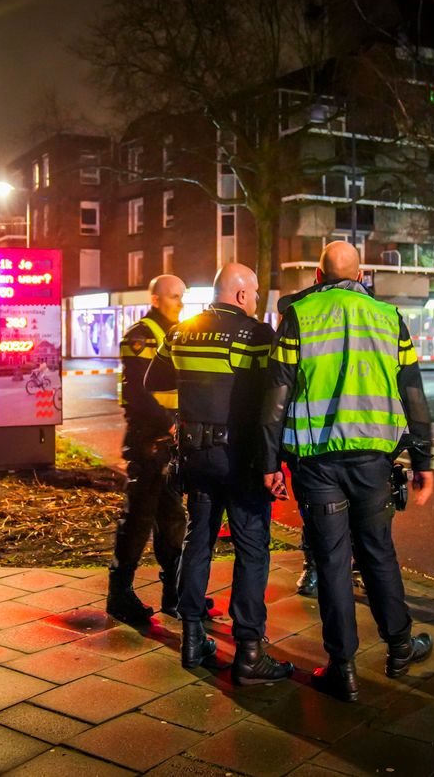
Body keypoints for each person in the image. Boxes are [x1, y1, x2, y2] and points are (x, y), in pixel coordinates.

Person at [260, 241, 434, 702]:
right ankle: (399, 647)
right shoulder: (388, 318)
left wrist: (268, 462)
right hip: (372, 462)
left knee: (333, 561)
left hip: (316, 463)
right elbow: (412, 390)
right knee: (378, 551)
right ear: (362, 276)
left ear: (318, 276)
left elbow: (279, 390)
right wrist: (423, 459)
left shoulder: (300, 315)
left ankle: (344, 668)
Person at [145, 263, 294, 683]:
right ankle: (249, 650)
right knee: (252, 548)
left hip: (195, 455)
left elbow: (152, 382)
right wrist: (273, 461)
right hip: (242, 458)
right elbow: (273, 399)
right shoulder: (257, 336)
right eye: (256, 294)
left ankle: (192, 638)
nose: (257, 301)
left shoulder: (181, 331)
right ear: (242, 295)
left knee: (199, 538)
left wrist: (181, 414)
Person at [105, 274, 188, 625]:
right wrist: (170, 422)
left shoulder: (178, 334)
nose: (180, 303)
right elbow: (139, 394)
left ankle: (175, 594)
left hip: (169, 443)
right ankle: (119, 594)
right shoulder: (141, 336)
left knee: (172, 520)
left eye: (182, 296)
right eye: (173, 296)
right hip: (148, 443)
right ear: (155, 300)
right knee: (138, 520)